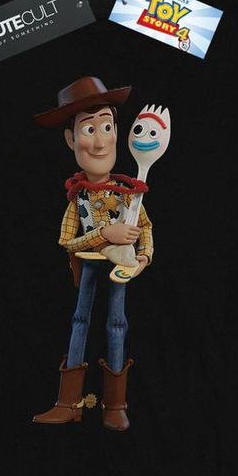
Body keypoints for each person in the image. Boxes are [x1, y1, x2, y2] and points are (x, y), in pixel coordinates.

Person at [32, 76, 153, 431]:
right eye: (89, 129)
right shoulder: (78, 198)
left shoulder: (128, 195)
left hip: (121, 267)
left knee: (117, 322)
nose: (100, 142)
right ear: (71, 140)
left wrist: (144, 257)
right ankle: (68, 402)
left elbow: (145, 226)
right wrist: (103, 235)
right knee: (80, 319)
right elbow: (66, 241)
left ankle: (115, 403)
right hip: (87, 267)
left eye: (107, 126)